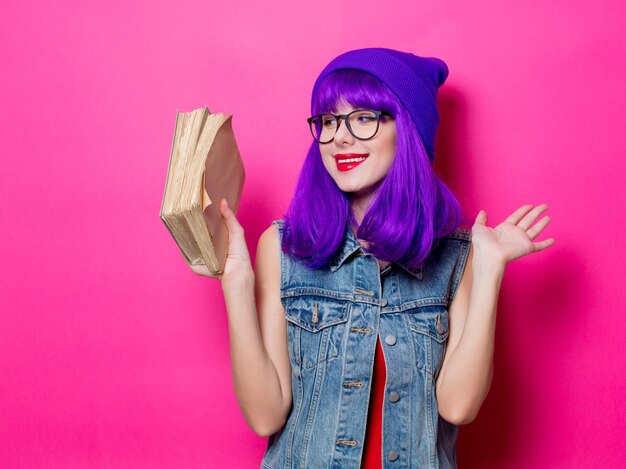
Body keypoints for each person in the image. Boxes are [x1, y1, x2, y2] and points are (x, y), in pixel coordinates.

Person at [191, 48, 554, 468]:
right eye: (328, 121)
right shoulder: (284, 246)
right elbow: (265, 415)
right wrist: (235, 282)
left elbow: (459, 407)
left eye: (363, 118)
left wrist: (489, 270)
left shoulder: (458, 255)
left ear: (408, 128)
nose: (340, 137)